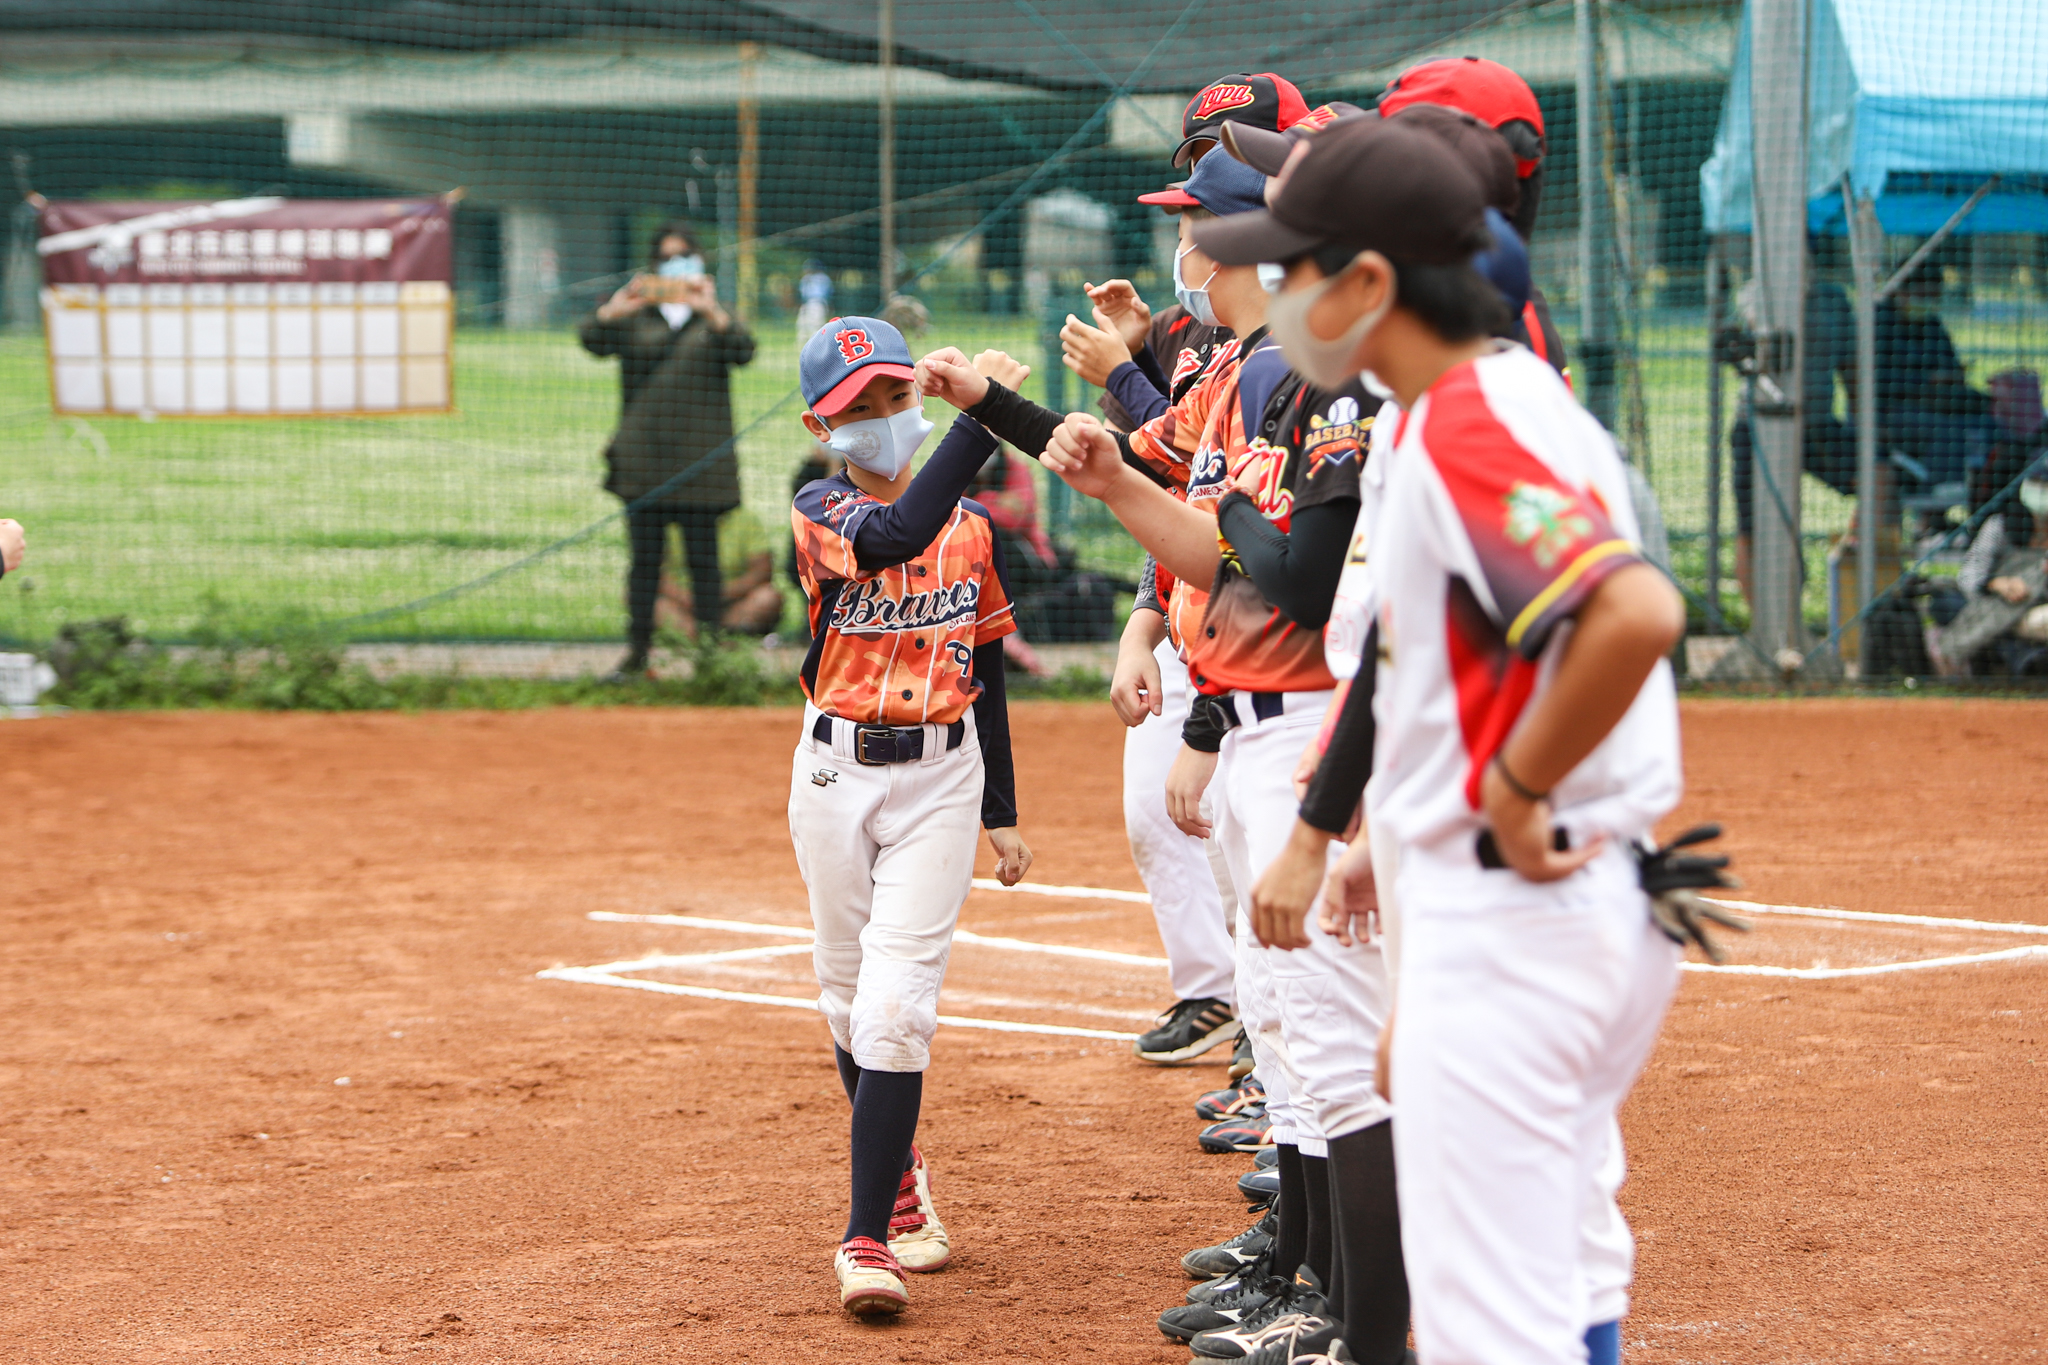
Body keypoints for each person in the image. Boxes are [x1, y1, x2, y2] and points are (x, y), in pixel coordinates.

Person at [1226, 114, 1687, 1365]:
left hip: (1519, 906)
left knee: (1491, 1325)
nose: (1276, 295)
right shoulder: (1491, 396)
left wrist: (1514, 788)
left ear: (1369, 283)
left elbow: (1630, 611)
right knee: (1562, 1267)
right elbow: (1441, 651)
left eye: (1293, 266)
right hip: (1562, 899)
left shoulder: (1461, 417)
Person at [786, 315, 1032, 1320]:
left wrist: (1001, 810)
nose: (888, 416)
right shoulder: (820, 508)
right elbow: (893, 538)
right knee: (848, 997)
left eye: (899, 395)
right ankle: (897, 1165)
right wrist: (982, 422)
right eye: (863, 407)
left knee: (895, 1009)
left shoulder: (971, 527)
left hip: (941, 778)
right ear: (823, 426)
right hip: (834, 777)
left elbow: (987, 669)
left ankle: (866, 1238)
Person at [579, 221, 757, 679]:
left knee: (704, 563)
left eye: (683, 255)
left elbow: (744, 350)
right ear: (653, 265)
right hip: (644, 462)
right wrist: (614, 310)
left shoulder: (711, 316)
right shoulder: (637, 315)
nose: (675, 264)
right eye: (666, 257)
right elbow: (591, 341)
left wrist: (711, 309)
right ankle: (637, 655)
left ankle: (709, 658)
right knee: (644, 562)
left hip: (700, 463)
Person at [797, 258, 833, 343]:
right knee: (802, 324)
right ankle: (803, 344)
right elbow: (802, 293)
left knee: (816, 325)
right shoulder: (805, 278)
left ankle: (816, 343)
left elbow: (827, 293)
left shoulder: (823, 278)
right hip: (806, 303)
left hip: (818, 303)